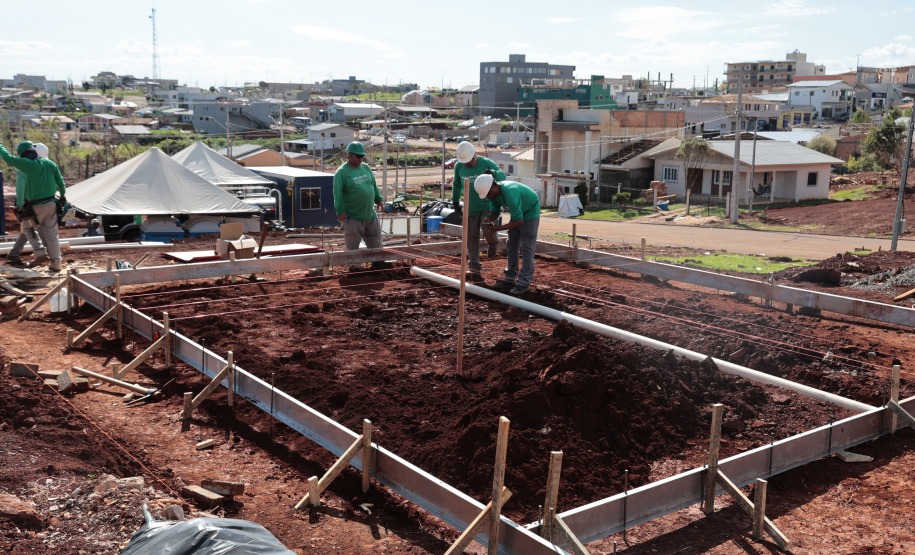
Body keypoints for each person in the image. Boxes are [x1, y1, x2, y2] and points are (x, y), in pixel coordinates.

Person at [1, 141, 65, 271]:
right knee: (52, 236)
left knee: (28, 228)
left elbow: (8, 158)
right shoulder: (51, 164)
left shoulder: (27, 165)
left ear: (23, 154)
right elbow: (61, 183)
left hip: (36, 205)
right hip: (53, 204)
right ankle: (56, 263)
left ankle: (40, 253)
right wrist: (63, 196)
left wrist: (0, 145)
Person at [474, 174, 540, 295]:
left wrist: (497, 228)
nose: (487, 198)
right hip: (518, 213)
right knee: (511, 244)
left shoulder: (510, 192)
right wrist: (488, 219)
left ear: (493, 187)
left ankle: (524, 283)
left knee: (527, 247)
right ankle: (510, 278)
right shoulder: (494, 196)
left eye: (487, 195)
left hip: (530, 211)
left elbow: (519, 222)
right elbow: (494, 213)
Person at [452, 141, 505, 281]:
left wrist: (493, 173)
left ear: (474, 155)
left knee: (488, 227)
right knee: (471, 236)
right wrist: (455, 201)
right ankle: (474, 266)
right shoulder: (459, 167)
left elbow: (503, 175)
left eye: (468, 161)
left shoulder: (486, 163)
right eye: (464, 162)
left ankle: (493, 243)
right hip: (470, 207)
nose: (467, 164)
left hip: (488, 204)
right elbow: (456, 184)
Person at [333, 141, 384, 270]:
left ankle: (377, 262)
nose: (361, 159)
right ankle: (354, 265)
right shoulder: (342, 173)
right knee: (352, 242)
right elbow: (337, 194)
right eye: (358, 156)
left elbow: (373, 185)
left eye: (362, 156)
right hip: (353, 216)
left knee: (375, 240)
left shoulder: (365, 168)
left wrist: (379, 199)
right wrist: (340, 212)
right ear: (349, 155)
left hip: (370, 215)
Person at [6, 143, 49, 266]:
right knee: (30, 228)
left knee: (29, 228)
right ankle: (43, 253)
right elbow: (20, 189)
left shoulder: (33, 167)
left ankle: (14, 253)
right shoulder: (24, 169)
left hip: (34, 202)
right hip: (27, 203)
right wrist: (20, 205)